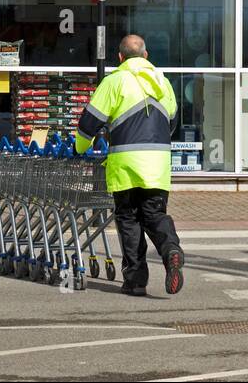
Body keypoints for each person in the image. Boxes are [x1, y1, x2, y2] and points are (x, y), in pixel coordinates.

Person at [75, 34, 184, 296]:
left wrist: (81, 148)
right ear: (146, 56)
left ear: (120, 58)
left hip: (125, 164)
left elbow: (89, 123)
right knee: (155, 214)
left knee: (129, 220)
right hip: (157, 164)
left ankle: (135, 282)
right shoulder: (162, 82)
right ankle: (171, 251)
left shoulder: (114, 81)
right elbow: (172, 122)